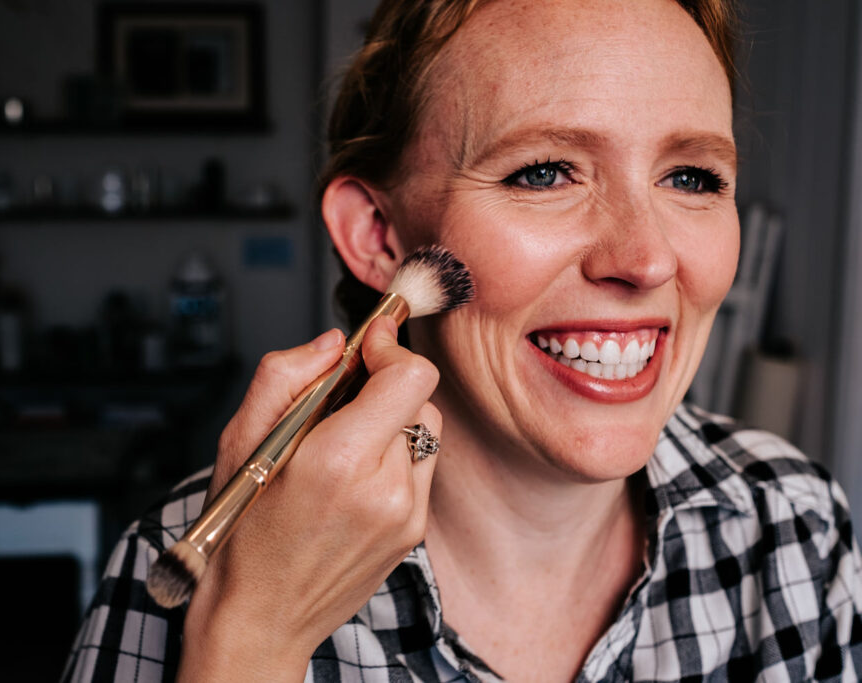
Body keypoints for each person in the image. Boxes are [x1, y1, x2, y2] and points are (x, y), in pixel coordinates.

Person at [62, 0, 862, 680]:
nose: (646, 259)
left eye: (692, 177)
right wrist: (250, 637)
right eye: (544, 171)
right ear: (379, 234)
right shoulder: (183, 560)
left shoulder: (794, 523)